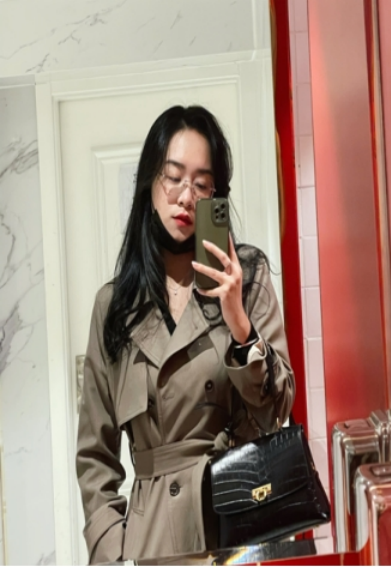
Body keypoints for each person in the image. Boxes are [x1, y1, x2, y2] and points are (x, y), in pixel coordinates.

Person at [76, 105, 295, 564]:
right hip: (155, 545)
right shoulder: (113, 307)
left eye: (201, 184)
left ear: (217, 195)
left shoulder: (247, 277)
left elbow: (276, 411)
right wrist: (113, 549)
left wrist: (239, 322)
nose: (185, 197)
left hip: (238, 526)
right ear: (149, 182)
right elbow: (95, 455)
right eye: (173, 177)